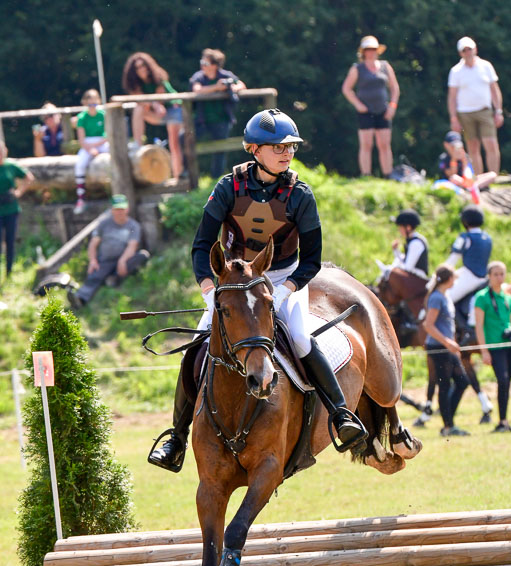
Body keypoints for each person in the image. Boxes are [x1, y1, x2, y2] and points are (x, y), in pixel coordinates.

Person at [148, 108, 367, 471]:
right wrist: (208, 288)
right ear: (254, 149)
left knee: (299, 337)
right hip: (234, 284)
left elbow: (312, 259)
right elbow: (202, 246)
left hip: (283, 278)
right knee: (199, 343)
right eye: (277, 147)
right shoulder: (228, 187)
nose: (286, 153)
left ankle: (341, 414)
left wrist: (286, 290)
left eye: (290, 147)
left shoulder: (300, 194)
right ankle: (176, 437)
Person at [68, 194, 149, 308]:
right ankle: (80, 299)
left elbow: (132, 246)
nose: (120, 211)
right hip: (105, 261)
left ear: (127, 209)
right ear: (112, 209)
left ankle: (114, 278)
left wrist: (122, 260)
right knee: (94, 276)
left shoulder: (134, 226)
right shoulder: (104, 224)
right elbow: (93, 244)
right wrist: (93, 260)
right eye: (117, 209)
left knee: (142, 256)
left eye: (122, 208)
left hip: (124, 260)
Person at [341, 35, 400, 177]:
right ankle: (366, 174)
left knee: (385, 144)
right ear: (364, 51)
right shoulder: (358, 68)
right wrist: (358, 104)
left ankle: (388, 175)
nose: (371, 52)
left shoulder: (385, 66)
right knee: (366, 144)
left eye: (374, 49)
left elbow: (394, 88)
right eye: (368, 49)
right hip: (365, 111)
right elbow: (347, 88)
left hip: (383, 110)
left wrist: (392, 106)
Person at [423, 265, 470, 437]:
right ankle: (448, 426)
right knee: (444, 385)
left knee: (462, 382)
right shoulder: (436, 298)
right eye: (454, 278)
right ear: (449, 279)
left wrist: (453, 344)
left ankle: (448, 419)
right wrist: (448, 342)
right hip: (438, 347)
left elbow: (448, 326)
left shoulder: (446, 296)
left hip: (448, 347)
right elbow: (428, 325)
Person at [122, 52, 184, 180]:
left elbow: (161, 98)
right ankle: (138, 144)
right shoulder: (135, 84)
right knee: (138, 109)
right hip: (157, 112)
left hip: (173, 108)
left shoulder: (158, 76)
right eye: (138, 67)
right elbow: (141, 101)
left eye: (143, 65)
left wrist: (155, 103)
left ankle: (178, 176)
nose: (142, 69)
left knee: (174, 144)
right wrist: (154, 104)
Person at [447, 36, 504, 175]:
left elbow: (494, 90)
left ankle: (492, 176)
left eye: (469, 49)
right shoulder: (456, 71)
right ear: (460, 53)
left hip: (485, 110)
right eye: (464, 50)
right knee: (473, 147)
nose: (467, 52)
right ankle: (479, 179)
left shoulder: (486, 66)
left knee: (490, 143)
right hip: (465, 113)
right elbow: (452, 97)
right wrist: (453, 118)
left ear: (475, 49)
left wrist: (498, 111)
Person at [189, 48, 246, 178]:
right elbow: (197, 90)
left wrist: (231, 88)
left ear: (215, 65)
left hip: (222, 118)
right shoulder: (199, 76)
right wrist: (217, 88)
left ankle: (217, 179)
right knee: (187, 142)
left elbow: (242, 85)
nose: (202, 65)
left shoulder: (226, 75)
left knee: (220, 150)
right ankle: (189, 176)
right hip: (201, 120)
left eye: (206, 63)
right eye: (202, 62)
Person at [474, 261, 511, 432]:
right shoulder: (482, 297)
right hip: (495, 347)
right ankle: (502, 420)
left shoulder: (507, 297)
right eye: (496, 274)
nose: (499, 277)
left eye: (502, 274)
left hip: (509, 344)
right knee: (503, 380)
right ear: (489, 276)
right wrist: (484, 350)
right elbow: (479, 325)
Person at [0, 141, 34, 279]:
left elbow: (29, 178)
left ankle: (9, 271)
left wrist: (18, 192)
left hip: (11, 209)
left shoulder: (10, 166)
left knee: (10, 241)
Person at [446, 205, 492, 304]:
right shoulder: (488, 238)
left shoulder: (465, 238)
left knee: (445, 298)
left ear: (465, 221)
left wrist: (438, 274)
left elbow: (452, 261)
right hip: (484, 277)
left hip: (470, 276)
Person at [74, 89, 109, 215]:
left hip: (101, 143)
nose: (92, 103)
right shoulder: (82, 117)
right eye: (89, 101)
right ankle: (80, 198)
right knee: (80, 164)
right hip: (88, 145)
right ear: (85, 102)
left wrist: (95, 146)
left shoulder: (103, 114)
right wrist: (90, 148)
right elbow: (82, 140)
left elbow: (107, 135)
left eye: (94, 100)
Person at [386, 209, 429, 280]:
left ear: (408, 227)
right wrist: (396, 250)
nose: (399, 230)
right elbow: (405, 261)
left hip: (418, 281)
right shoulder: (411, 241)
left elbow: (407, 268)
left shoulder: (416, 243)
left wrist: (391, 269)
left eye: (400, 227)